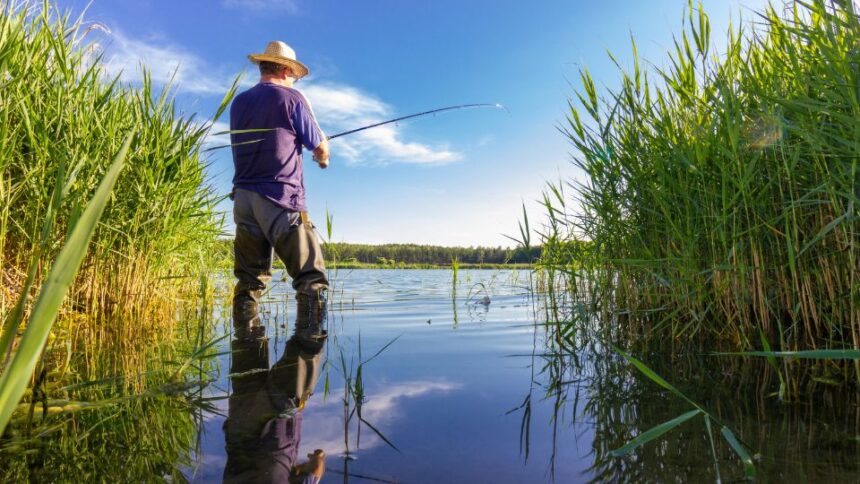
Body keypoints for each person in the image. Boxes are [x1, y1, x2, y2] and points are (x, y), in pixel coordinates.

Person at [230, 40, 330, 323]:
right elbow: (319, 149)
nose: (295, 80)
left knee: (249, 282)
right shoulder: (292, 98)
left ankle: (245, 348)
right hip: (280, 199)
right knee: (310, 277)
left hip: (243, 200)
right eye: (294, 75)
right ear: (286, 69)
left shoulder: (239, 102)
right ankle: (309, 345)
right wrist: (324, 155)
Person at [224, 298, 328, 483]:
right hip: (240, 421)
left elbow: (314, 470)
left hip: (277, 420)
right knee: (247, 335)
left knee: (309, 343)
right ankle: (310, 302)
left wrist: (317, 463)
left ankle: (312, 297)